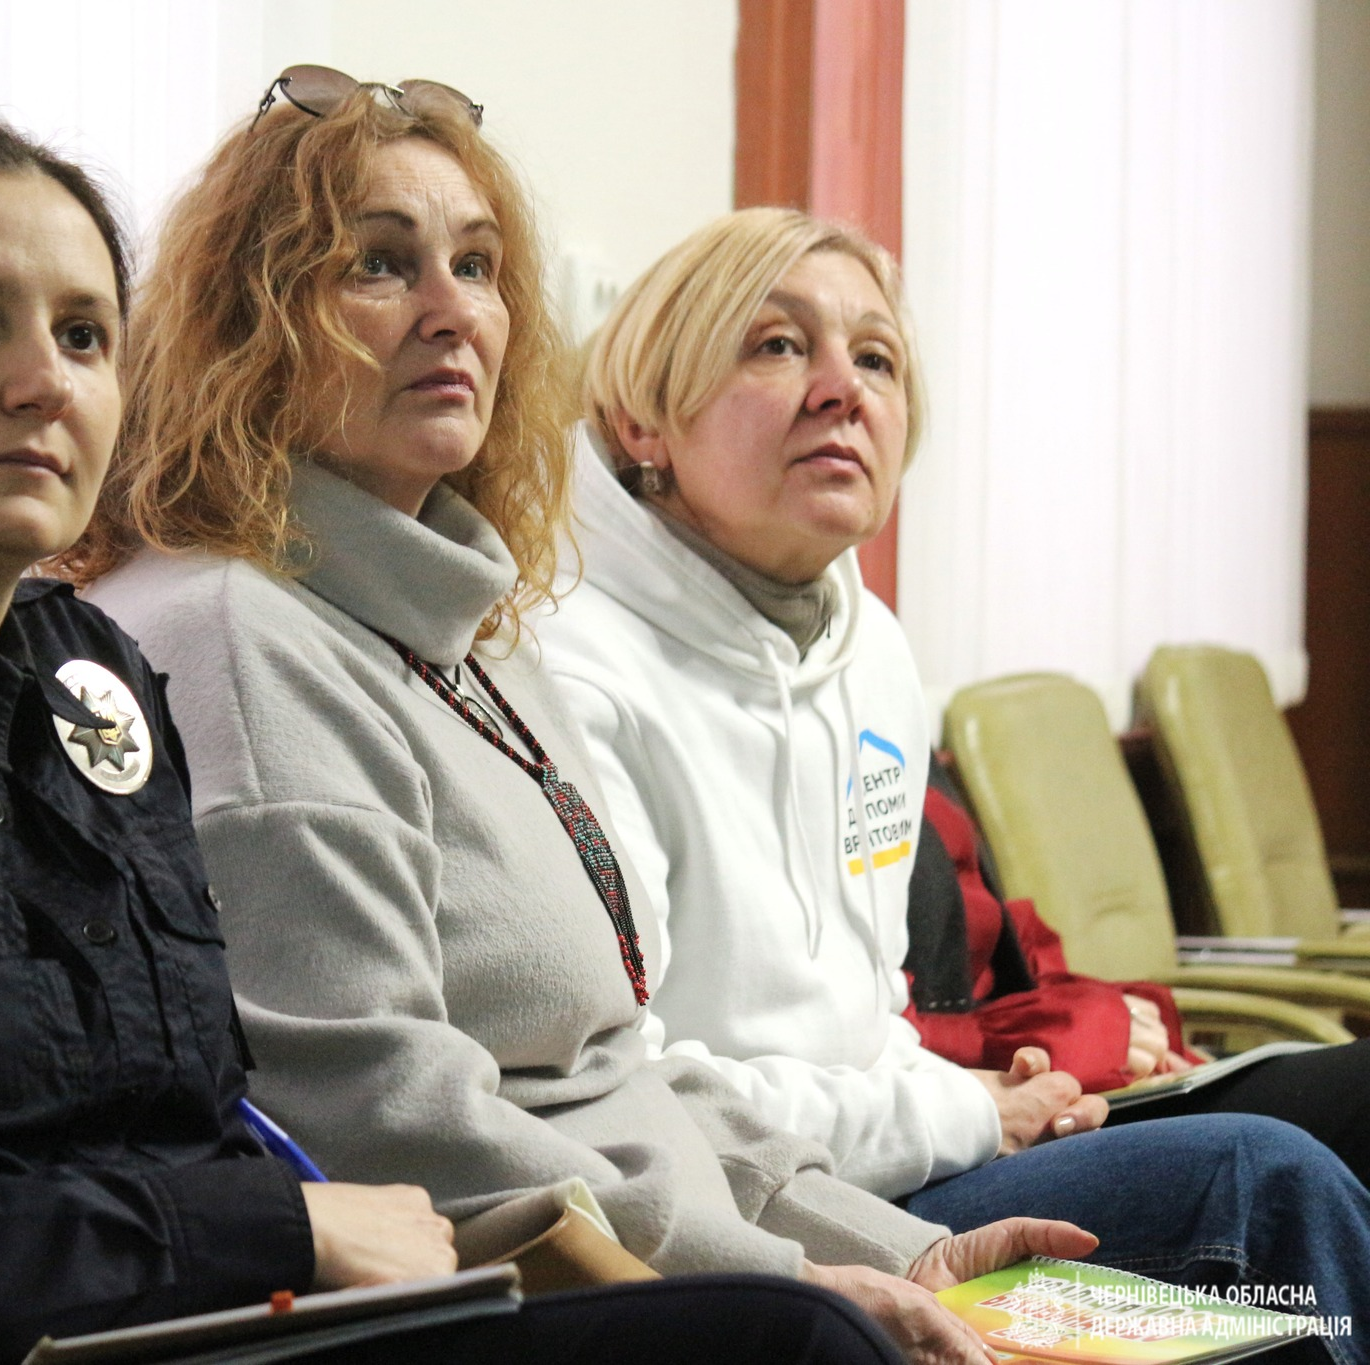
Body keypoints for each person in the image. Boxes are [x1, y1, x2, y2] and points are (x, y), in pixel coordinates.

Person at [0, 114, 912, 1365]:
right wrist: (273, 1227)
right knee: (789, 1345)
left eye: (84, 335)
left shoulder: (86, 681)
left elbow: (190, 1118)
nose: (42, 381)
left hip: (216, 1319)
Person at [66, 66, 1128, 1365]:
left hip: (690, 1243)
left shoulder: (468, 626)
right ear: (254, 321)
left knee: (1216, 1240)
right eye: (380, 265)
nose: (453, 311)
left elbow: (613, 1066)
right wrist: (797, 1280)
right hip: (479, 1298)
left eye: (478, 266)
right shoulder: (236, 633)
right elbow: (385, 1123)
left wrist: (889, 1248)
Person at [534, 206, 1370, 1360]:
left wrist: (985, 1087)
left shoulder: (867, 644)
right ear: (641, 420)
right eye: (776, 345)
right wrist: (962, 1110)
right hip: (759, 1218)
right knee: (1259, 1185)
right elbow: (631, 1092)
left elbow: (858, 1016)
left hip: (903, 1153)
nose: (842, 390)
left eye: (875, 359)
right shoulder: (562, 671)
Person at [907, 760, 1370, 1182]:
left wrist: (1107, 1019)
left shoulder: (899, 730)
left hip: (1063, 1070)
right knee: (1278, 1153)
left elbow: (996, 955)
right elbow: (880, 1046)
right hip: (986, 1113)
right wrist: (1086, 1035)